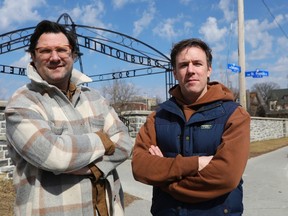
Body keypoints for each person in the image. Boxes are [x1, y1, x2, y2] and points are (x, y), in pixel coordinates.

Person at [5, 20, 133, 216]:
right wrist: (103, 139)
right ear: (33, 57)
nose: (55, 57)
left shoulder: (94, 98)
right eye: (45, 51)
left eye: (62, 50)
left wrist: (93, 168)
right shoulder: (22, 103)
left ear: (73, 54)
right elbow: (55, 156)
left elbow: (124, 142)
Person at [132, 38, 250, 216]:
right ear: (175, 72)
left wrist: (165, 179)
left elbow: (226, 177)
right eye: (183, 65)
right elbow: (140, 167)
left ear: (208, 69)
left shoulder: (235, 115)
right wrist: (196, 163)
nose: (191, 70)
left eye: (197, 63)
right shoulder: (157, 118)